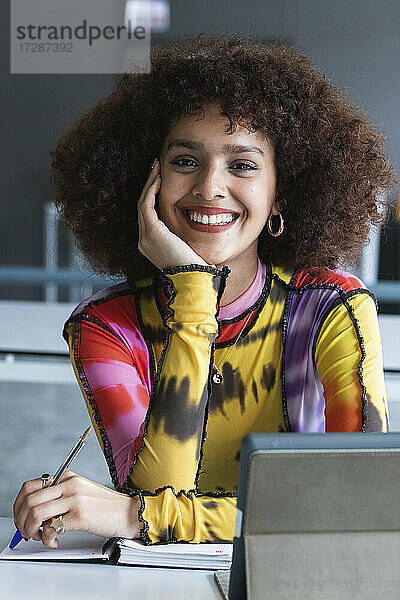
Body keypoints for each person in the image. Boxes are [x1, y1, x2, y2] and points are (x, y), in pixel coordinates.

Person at [13, 34, 396, 549]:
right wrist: (194, 292)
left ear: (280, 194)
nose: (210, 186)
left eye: (243, 164)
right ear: (146, 180)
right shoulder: (106, 329)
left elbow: (357, 500)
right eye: (185, 161)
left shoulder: (331, 309)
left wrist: (132, 515)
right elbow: (156, 497)